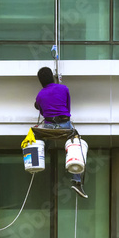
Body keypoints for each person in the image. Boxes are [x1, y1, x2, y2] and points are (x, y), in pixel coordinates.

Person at [35, 66, 88, 199]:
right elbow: (67, 107)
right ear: (52, 76)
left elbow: (42, 112)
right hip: (64, 124)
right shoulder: (64, 89)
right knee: (75, 144)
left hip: (48, 126)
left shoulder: (40, 95)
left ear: (41, 81)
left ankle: (37, 160)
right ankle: (76, 181)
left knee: (42, 141)